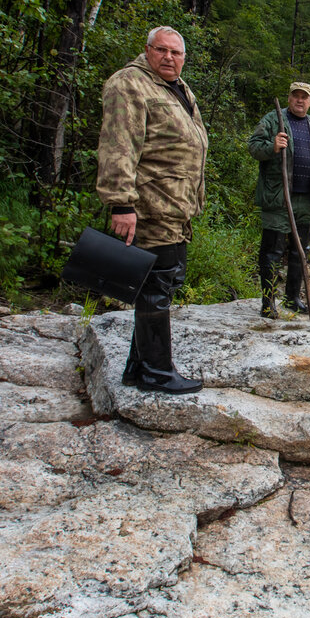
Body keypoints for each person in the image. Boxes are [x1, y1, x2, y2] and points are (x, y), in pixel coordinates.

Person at [96, 26, 208, 393]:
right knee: (155, 286)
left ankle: (137, 366)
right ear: (147, 50)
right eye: (161, 50)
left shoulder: (179, 87)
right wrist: (121, 203)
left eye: (176, 52)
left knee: (161, 283)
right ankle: (157, 373)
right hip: (148, 205)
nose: (169, 57)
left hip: (174, 206)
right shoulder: (129, 83)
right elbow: (118, 146)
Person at [247, 81, 310, 319]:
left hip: (307, 198)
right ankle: (268, 303)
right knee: (272, 252)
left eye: (304, 97)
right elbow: (253, 147)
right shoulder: (272, 119)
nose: (299, 100)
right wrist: (272, 146)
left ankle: (292, 298)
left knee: (301, 250)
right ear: (289, 98)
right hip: (279, 197)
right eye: (295, 96)